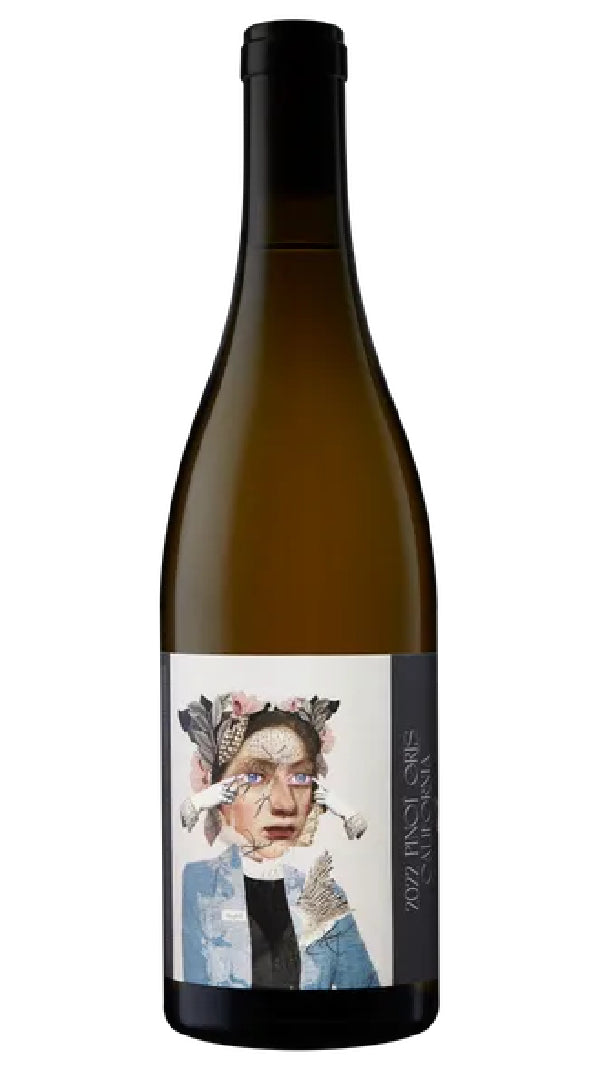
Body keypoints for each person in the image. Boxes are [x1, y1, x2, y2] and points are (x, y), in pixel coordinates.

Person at [178, 692, 380, 989]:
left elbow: (366, 995)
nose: (284, 804)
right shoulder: (197, 883)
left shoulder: (325, 897)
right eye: (254, 777)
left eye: (300, 778)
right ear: (216, 790)